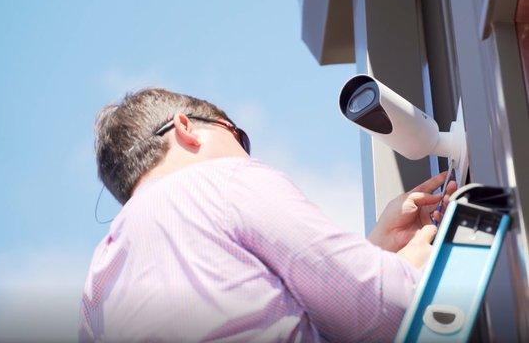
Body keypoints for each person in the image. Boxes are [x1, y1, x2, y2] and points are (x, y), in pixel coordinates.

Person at [79, 88, 456, 342]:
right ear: (185, 128)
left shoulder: (99, 277)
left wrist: (377, 251)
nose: (245, 153)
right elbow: (381, 311)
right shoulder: (223, 180)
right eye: (238, 136)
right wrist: (416, 263)